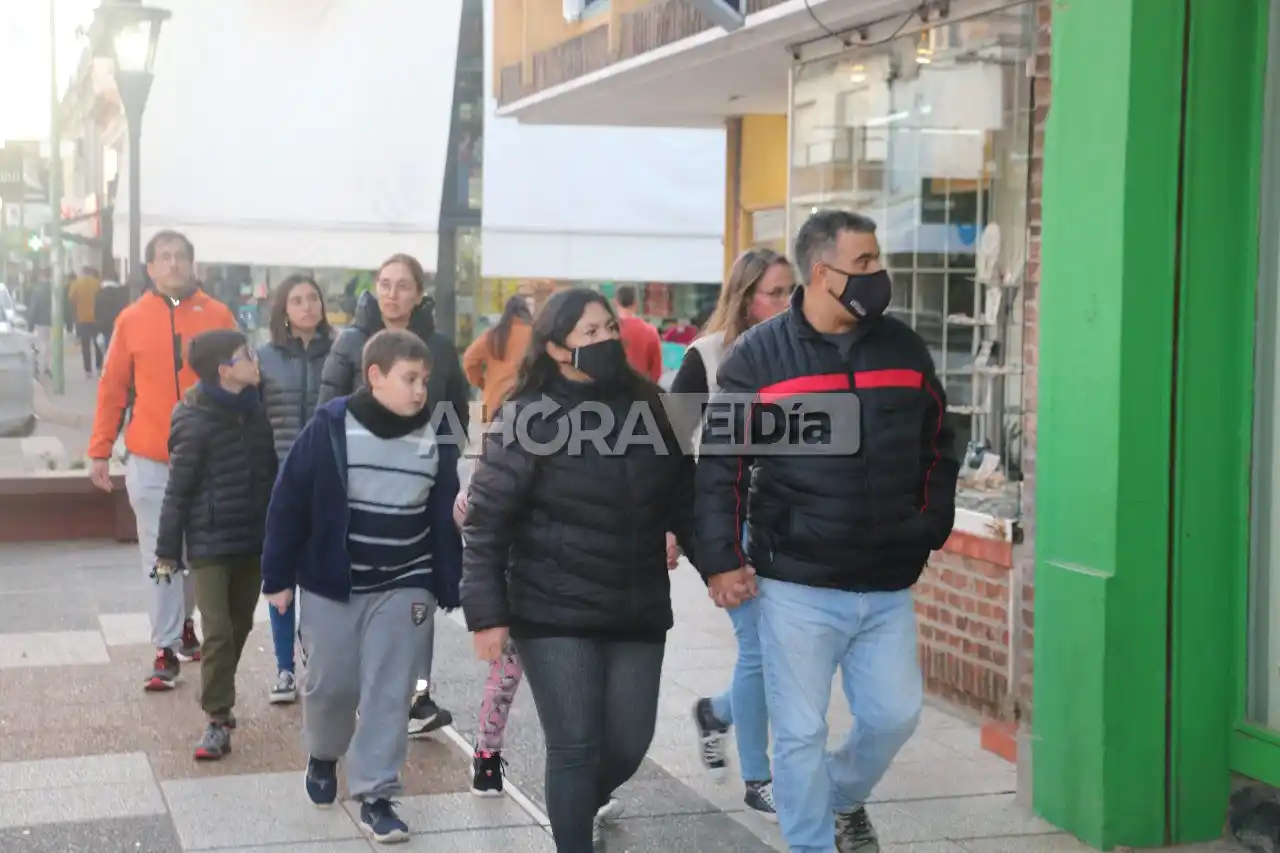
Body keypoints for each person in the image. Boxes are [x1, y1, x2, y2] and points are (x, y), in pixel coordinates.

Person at [694, 210, 961, 853]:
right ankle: (811, 842)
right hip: (796, 580)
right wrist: (722, 559)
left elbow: (940, 442)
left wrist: (929, 523)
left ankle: (842, 796)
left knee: (894, 715)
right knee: (798, 733)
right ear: (823, 273)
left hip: (887, 581)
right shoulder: (758, 358)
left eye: (877, 261)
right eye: (864, 263)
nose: (879, 275)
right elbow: (721, 466)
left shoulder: (902, 347)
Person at [461, 288, 694, 853]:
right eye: (590, 332)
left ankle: (576, 802)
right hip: (551, 604)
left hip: (634, 599)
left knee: (629, 741)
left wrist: (705, 551)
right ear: (557, 348)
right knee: (573, 745)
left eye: (610, 328)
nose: (606, 339)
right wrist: (487, 614)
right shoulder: (526, 415)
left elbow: (684, 492)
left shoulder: (652, 406)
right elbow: (487, 520)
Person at [261, 329, 462, 844]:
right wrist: (278, 576)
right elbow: (288, 500)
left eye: (425, 379)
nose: (420, 389)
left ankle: (377, 794)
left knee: (390, 690)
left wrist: (449, 578)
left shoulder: (437, 436)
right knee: (332, 684)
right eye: (409, 379)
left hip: (405, 583)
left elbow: (443, 512)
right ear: (375, 377)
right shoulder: (331, 425)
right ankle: (325, 753)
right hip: (334, 584)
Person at [317, 252, 469, 736]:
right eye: (385, 283)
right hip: (362, 490)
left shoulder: (440, 348)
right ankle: (367, 688)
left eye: (403, 285)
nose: (392, 293)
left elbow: (457, 409)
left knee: (418, 587)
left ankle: (417, 694)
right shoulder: (351, 344)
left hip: (422, 484)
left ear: (418, 294)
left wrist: (443, 457)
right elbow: (327, 409)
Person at [670, 247, 794, 820]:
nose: (788, 303)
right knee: (761, 648)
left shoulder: (801, 352)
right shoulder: (708, 357)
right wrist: (667, 526)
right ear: (746, 299)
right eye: (776, 292)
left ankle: (717, 714)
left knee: (780, 649)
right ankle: (758, 777)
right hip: (723, 520)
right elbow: (668, 445)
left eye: (793, 291)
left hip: (785, 520)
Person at [88, 230, 238, 690]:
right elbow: (112, 387)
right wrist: (99, 448)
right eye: (163, 257)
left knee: (198, 552)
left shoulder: (218, 315)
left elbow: (242, 379)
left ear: (192, 265)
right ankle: (165, 647)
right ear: (150, 268)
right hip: (150, 458)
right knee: (160, 554)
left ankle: (186, 622)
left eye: (180, 257)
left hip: (209, 460)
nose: (172, 264)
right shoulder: (131, 320)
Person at [153, 329, 276, 760]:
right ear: (225, 369)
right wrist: (167, 552)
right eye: (246, 355)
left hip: (253, 539)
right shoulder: (192, 417)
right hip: (209, 543)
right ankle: (217, 718)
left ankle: (218, 690)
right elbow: (178, 490)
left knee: (239, 628)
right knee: (219, 630)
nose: (254, 359)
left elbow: (271, 474)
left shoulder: (256, 410)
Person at [256, 273, 334, 704]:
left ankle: (317, 662)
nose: (307, 306)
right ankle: (284, 668)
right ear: (284, 309)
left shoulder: (341, 354)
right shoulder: (264, 358)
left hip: (328, 481)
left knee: (321, 576)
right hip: (281, 480)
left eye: (313, 298)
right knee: (281, 574)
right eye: (297, 300)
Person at [461, 295, 533, 424]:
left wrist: (481, 382)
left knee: (491, 442)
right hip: (528, 405)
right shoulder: (534, 335)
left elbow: (469, 359)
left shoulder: (493, 335)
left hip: (493, 404)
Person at [613, 284, 662, 382]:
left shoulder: (607, 331)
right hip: (640, 391)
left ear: (616, 302)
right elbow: (656, 372)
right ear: (636, 303)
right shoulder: (650, 331)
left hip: (611, 392)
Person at [68, 266, 103, 377]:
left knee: (85, 345)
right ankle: (98, 367)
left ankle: (87, 370)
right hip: (96, 318)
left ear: (83, 273)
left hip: (82, 318)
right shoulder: (98, 283)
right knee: (98, 343)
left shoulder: (76, 283)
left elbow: (71, 298)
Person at [94, 268, 129, 356]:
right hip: (122, 327)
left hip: (106, 328)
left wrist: (98, 330)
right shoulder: (124, 292)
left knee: (109, 354)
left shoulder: (100, 294)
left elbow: (97, 313)